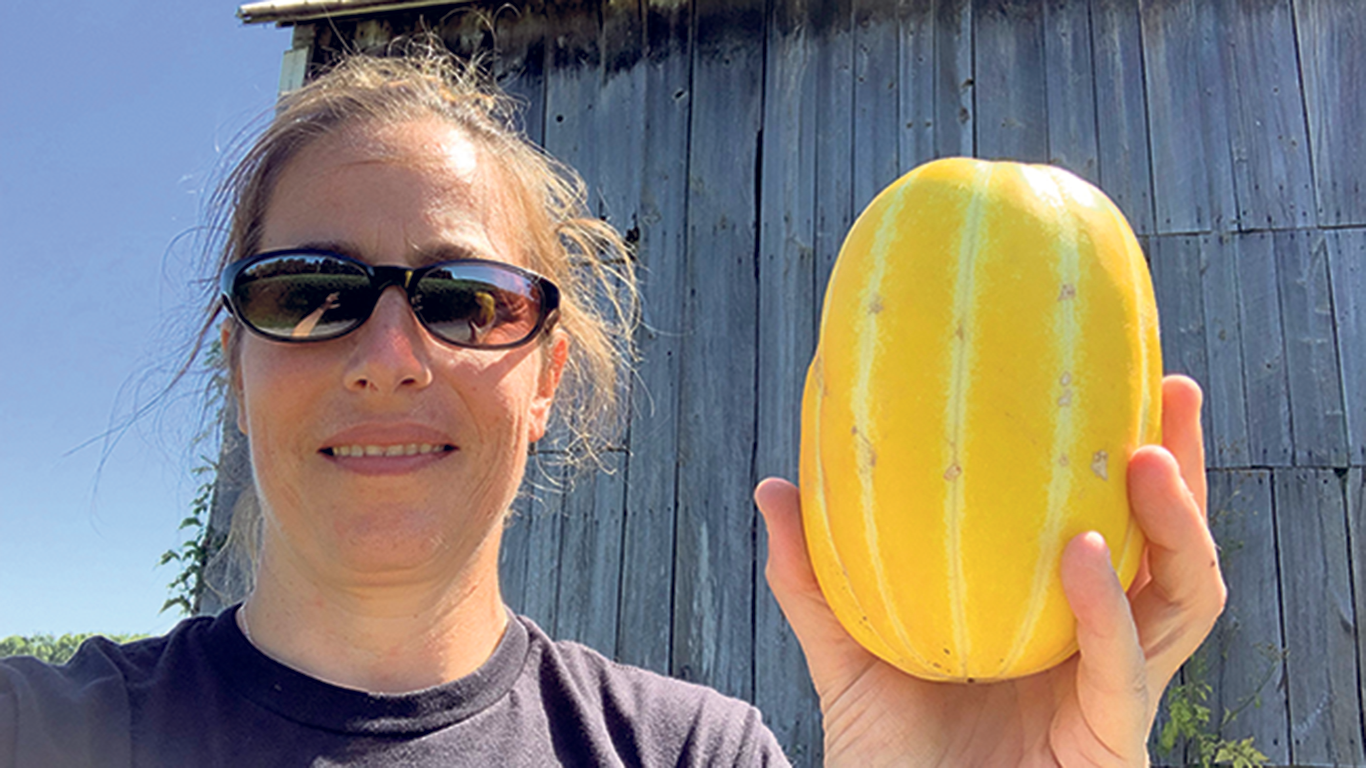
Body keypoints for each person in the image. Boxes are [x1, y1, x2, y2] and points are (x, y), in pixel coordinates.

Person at [0, 50, 1225, 767]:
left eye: (467, 301)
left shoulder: (699, 757)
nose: (387, 354)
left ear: (546, 375)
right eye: (312, 292)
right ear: (236, 356)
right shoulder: (40, 732)